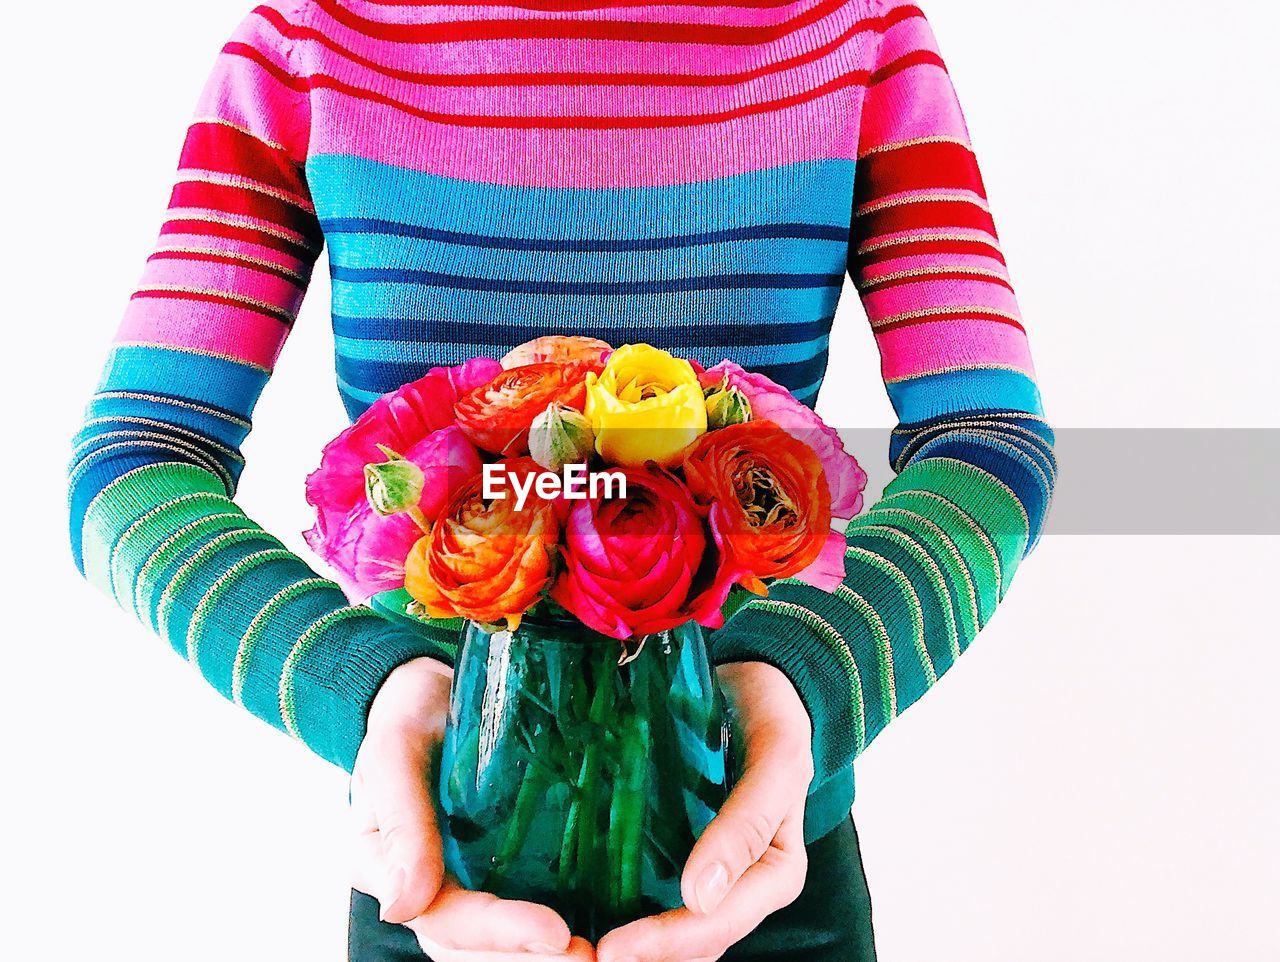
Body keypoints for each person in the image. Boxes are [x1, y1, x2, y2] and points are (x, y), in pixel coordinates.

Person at [67, 1, 1055, 959]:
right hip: (443, 876)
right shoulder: (306, 41)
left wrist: (798, 686)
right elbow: (135, 461)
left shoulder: (855, 31)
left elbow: (985, 442)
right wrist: (368, 692)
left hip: (761, 860)